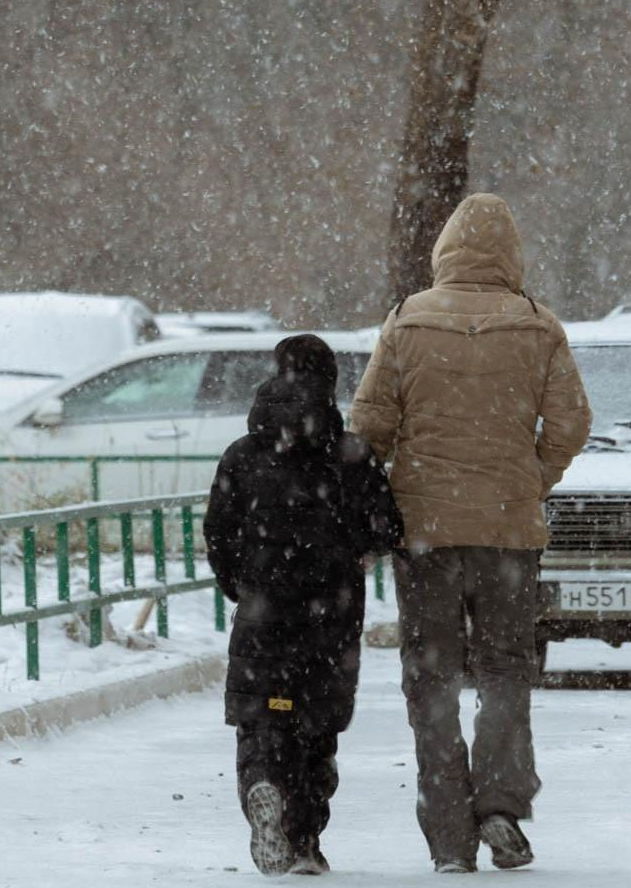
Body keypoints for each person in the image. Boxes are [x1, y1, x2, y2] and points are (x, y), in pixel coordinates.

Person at [351, 193, 593, 874]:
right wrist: (526, 479)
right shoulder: (538, 327)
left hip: (425, 531)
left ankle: (449, 835)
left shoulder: (405, 322)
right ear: (512, 254)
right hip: (509, 534)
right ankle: (500, 803)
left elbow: (368, 427)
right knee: (504, 669)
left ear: (444, 251)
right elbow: (572, 424)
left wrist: (405, 483)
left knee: (430, 678)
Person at [203, 334, 402, 876]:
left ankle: (263, 784)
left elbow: (218, 532)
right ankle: (306, 840)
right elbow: (388, 528)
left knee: (263, 716)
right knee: (316, 726)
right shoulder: (353, 453)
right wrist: (359, 547)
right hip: (331, 615)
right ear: (332, 384)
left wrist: (240, 586)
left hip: (263, 610)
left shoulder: (241, 454)